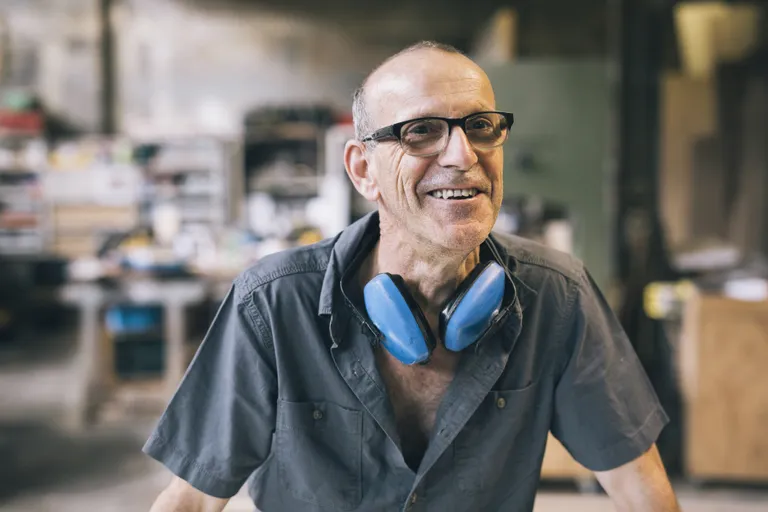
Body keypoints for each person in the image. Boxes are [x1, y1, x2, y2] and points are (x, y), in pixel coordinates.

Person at [145, 41, 681, 512]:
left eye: (480, 127)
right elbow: (189, 501)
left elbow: (646, 494)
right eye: (421, 131)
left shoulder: (557, 297)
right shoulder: (271, 306)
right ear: (362, 170)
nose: (463, 154)